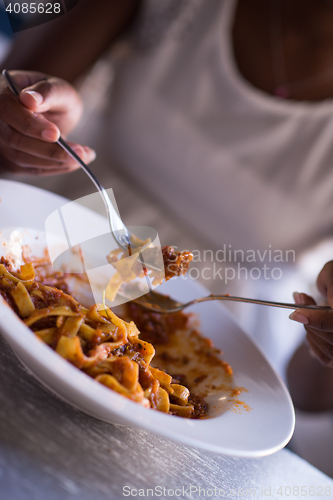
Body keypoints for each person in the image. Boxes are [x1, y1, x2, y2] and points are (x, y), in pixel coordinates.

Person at [1, 0, 333, 474]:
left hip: (214, 350)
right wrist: (27, 131)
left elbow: (308, 396)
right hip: (55, 227)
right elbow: (16, 88)